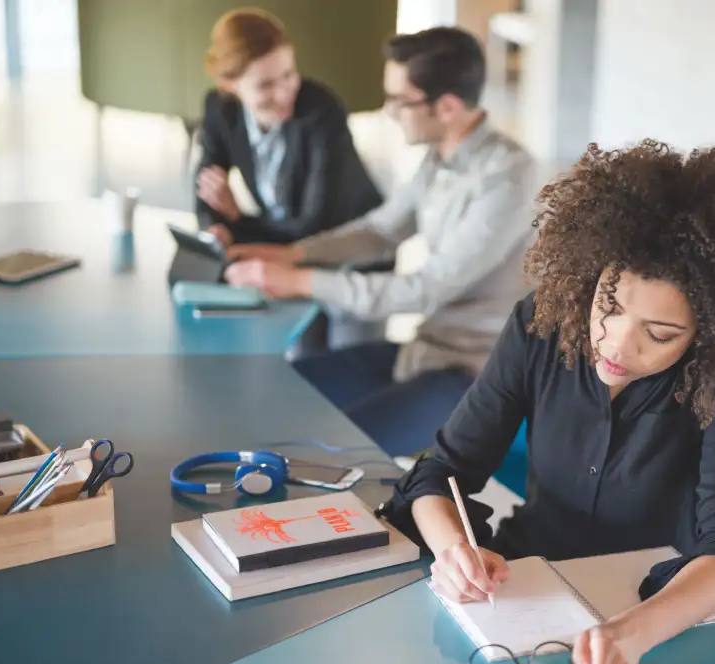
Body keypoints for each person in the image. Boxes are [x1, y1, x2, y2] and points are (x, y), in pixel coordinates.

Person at [378, 140, 715, 664]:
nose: (615, 345)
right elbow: (441, 470)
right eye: (607, 308)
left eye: (659, 334)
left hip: (656, 611)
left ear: (709, 334)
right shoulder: (540, 325)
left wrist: (630, 638)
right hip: (524, 582)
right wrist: (454, 552)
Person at [223, 27, 537, 458]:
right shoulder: (441, 155)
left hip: (472, 375)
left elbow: (424, 289)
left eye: (399, 101)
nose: (389, 111)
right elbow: (381, 230)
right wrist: (292, 253)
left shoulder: (507, 177)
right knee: (276, 394)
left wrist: (298, 281)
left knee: (327, 456)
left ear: (445, 107)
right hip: (422, 352)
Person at [194, 8, 383, 245]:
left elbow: (312, 227)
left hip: (350, 245)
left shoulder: (322, 112)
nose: (284, 94)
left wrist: (236, 220)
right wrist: (215, 230)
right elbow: (206, 188)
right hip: (281, 240)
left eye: (289, 74)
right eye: (265, 85)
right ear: (230, 83)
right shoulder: (221, 109)